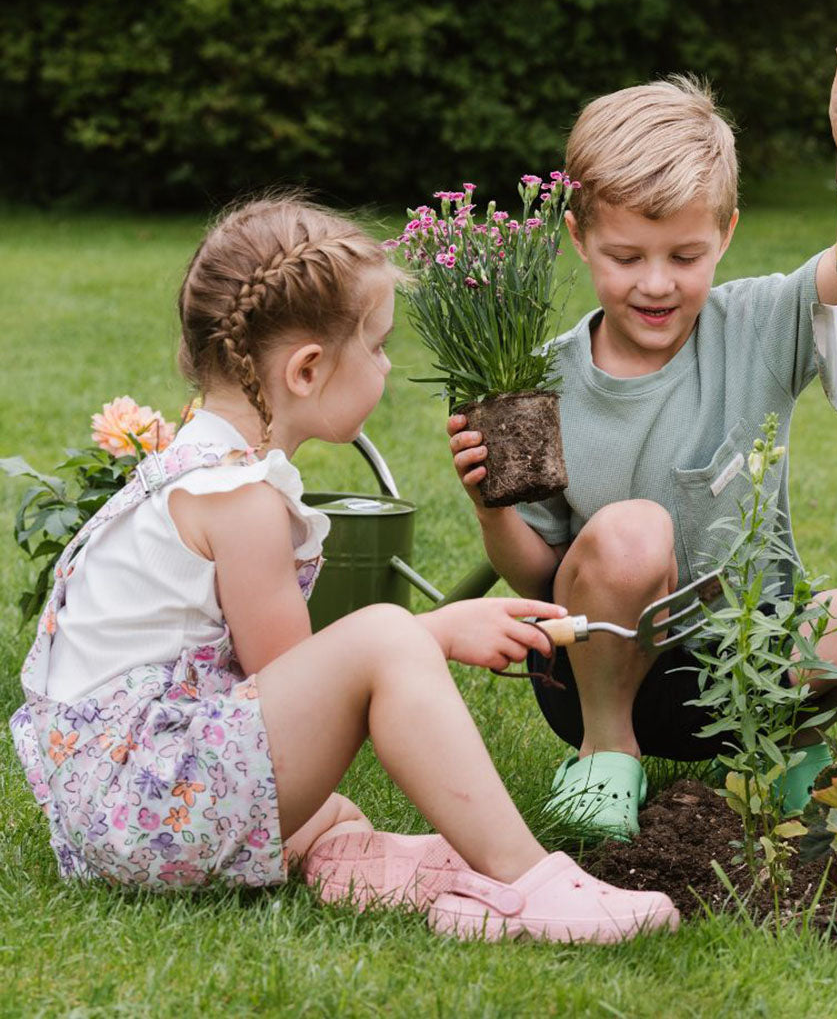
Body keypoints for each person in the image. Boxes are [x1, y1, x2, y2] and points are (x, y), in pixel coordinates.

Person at [10, 193, 678, 942]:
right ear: (306, 370)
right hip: (148, 809)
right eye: (379, 346)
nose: (387, 365)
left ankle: (352, 859)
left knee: (336, 805)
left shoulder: (197, 467)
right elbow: (294, 683)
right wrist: (434, 633)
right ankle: (529, 886)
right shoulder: (242, 501)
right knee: (386, 635)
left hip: (120, 805)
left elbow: (260, 702)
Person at [447, 30, 837, 839]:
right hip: (600, 672)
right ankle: (606, 757)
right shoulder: (538, 381)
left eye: (685, 255)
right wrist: (489, 508)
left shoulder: (755, 324)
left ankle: (768, 747)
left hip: (748, 659)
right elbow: (538, 577)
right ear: (578, 238)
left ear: (726, 234)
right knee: (632, 531)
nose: (656, 283)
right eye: (626, 257)